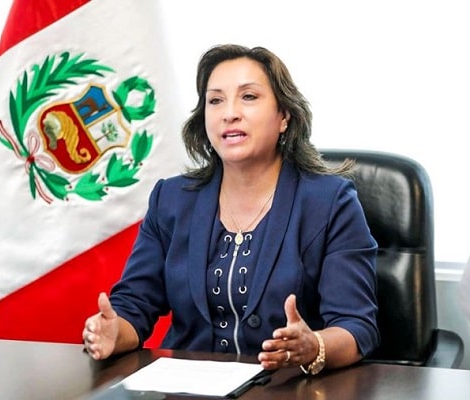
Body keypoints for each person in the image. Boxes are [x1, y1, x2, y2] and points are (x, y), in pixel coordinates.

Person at [83, 44, 379, 373]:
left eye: (248, 97)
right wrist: (115, 332)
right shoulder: (172, 198)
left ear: (284, 116)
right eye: (215, 100)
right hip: (187, 386)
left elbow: (356, 326)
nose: (229, 113)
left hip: (288, 386)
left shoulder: (329, 202)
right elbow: (134, 305)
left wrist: (313, 346)